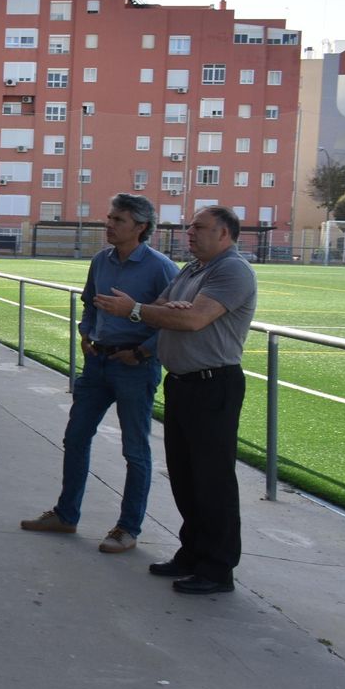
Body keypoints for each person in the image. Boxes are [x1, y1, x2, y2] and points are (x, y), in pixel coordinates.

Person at [94, 206, 257, 596]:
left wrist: (140, 310)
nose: (190, 232)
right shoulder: (194, 270)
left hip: (213, 385)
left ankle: (217, 568)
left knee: (212, 479)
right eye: (190, 227)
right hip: (183, 384)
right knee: (185, 476)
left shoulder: (231, 271)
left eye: (199, 227)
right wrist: (167, 311)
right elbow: (165, 309)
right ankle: (192, 553)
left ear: (224, 233)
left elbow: (191, 320)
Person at [20, 195, 179, 553]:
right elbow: (89, 303)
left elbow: (171, 320)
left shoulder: (160, 268)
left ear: (140, 227)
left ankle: (127, 528)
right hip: (97, 363)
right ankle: (66, 515)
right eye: (109, 218)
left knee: (134, 450)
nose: (109, 225)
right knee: (75, 437)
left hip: (134, 367)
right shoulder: (100, 260)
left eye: (118, 220)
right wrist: (85, 334)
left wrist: (141, 352)